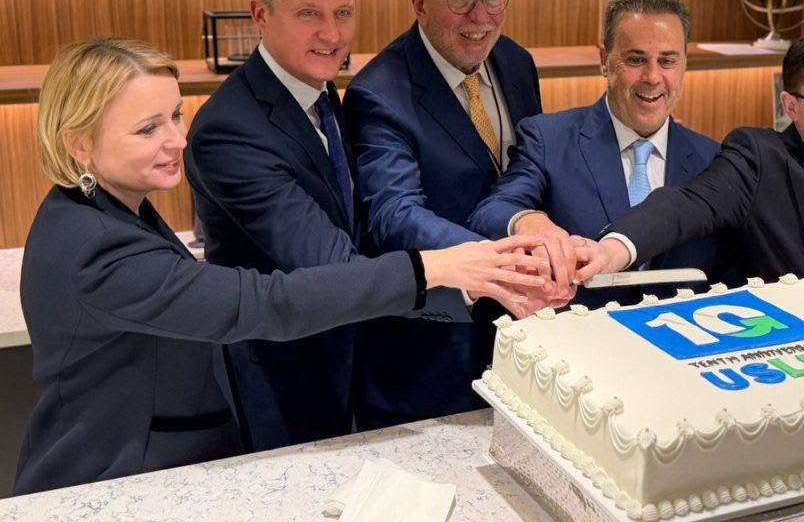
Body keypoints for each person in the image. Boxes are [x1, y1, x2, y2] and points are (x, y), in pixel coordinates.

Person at [15, 38, 546, 495]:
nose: (177, 140)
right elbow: (268, 302)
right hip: (115, 479)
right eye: (147, 129)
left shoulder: (100, 207)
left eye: (175, 116)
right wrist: (431, 267)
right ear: (79, 144)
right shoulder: (98, 249)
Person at [184, 0, 540, 451]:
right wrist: (463, 270)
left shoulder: (318, 89)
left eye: (344, 13)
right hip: (285, 378)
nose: (332, 34)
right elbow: (332, 264)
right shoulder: (230, 131)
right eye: (309, 14)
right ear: (260, 15)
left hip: (356, 356)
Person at [577, 32, 804, 328]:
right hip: (792, 352)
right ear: (791, 107)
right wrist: (612, 250)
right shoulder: (760, 158)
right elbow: (687, 204)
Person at [342, 0, 547, 428]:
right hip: (431, 355)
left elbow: (530, 168)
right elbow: (394, 214)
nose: (480, 16)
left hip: (523, 340)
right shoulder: (378, 91)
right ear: (420, 2)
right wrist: (501, 262)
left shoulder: (517, 62)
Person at [469, 0, 727, 308]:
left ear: (685, 63)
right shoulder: (548, 139)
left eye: (667, 61)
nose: (652, 77)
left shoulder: (713, 159)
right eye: (636, 60)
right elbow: (492, 211)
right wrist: (528, 221)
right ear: (604, 60)